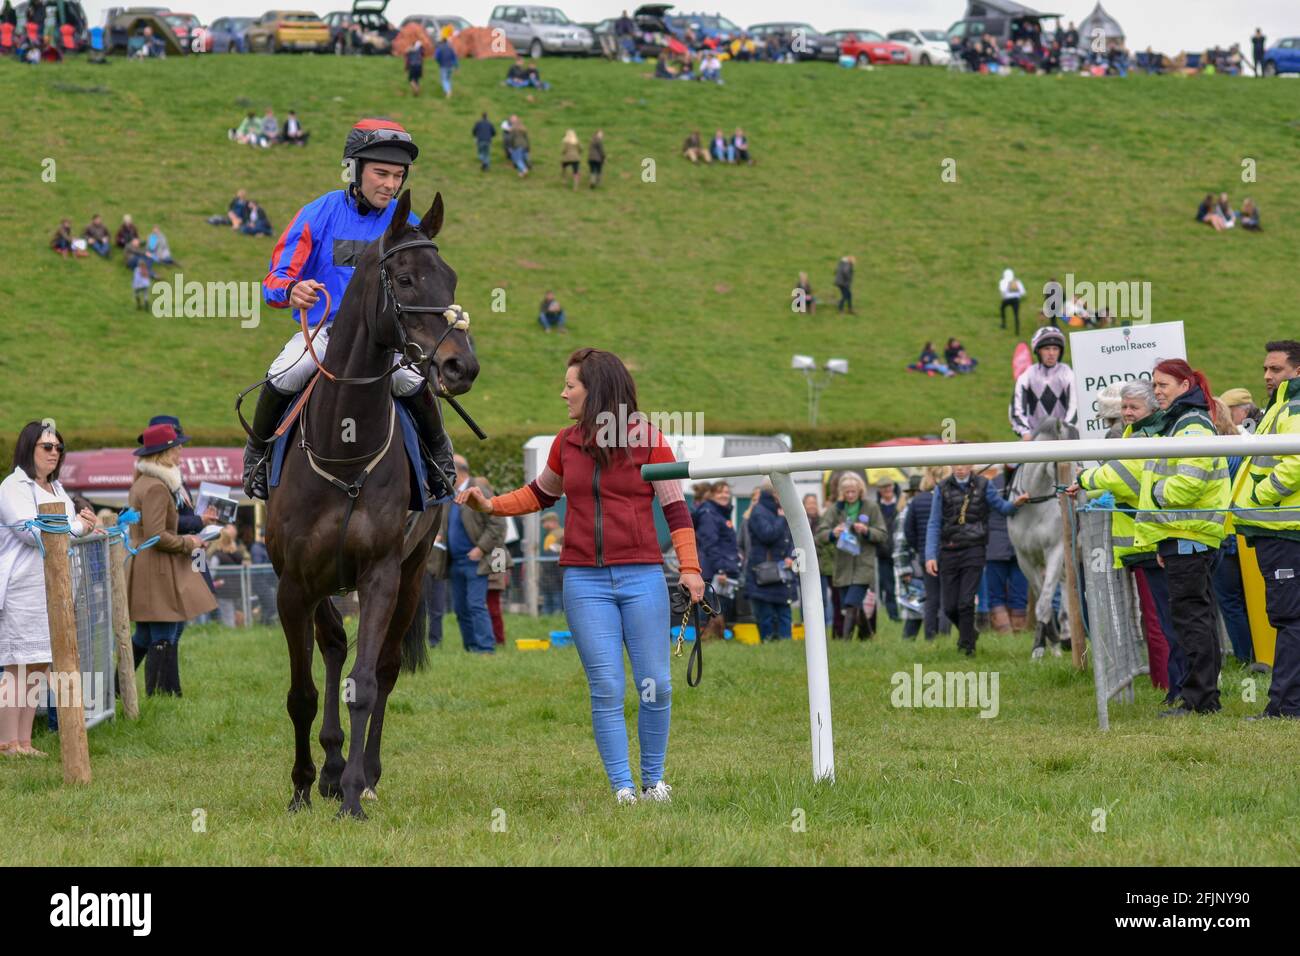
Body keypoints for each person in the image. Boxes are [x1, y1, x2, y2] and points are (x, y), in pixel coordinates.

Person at [456, 348, 703, 804]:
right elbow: (539, 494)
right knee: (607, 686)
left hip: (643, 576)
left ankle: (654, 781)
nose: (563, 393)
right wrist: (490, 505)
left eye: (571, 385)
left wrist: (690, 566)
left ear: (597, 391)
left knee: (657, 683)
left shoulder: (650, 439)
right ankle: (623, 789)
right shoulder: (565, 443)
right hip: (584, 583)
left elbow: (676, 508)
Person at [242, 118, 455, 504]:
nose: (390, 184)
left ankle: (440, 460)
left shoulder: (406, 225)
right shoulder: (317, 213)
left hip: (385, 343)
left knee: (412, 383)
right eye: (381, 173)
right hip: (325, 336)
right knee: (287, 372)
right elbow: (273, 281)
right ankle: (256, 458)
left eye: (397, 175)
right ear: (355, 170)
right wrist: (293, 290)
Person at [0, 422, 101, 756]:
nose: (54, 453)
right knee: (16, 666)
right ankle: (6, 742)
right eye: (47, 447)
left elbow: (65, 529)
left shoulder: (57, 489)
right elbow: (34, 532)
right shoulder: (12, 486)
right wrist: (77, 525)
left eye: (58, 447)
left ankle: (24, 742)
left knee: (38, 667)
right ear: (28, 448)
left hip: (54, 589)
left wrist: (86, 526)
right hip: (20, 589)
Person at [1137, 360, 1231, 716]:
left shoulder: (1190, 423)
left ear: (1185, 384)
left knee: (1192, 621)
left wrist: (1157, 493)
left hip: (1188, 535)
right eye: (1155, 385)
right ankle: (1204, 697)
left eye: (1163, 385)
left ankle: (1199, 700)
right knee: (1198, 620)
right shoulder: (1183, 420)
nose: (1157, 391)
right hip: (1184, 536)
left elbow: (1190, 482)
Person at [1231, 340, 1300, 718]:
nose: (1267, 376)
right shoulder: (1283, 406)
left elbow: (1295, 462)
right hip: (1280, 529)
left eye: (1275, 369)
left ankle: (1286, 707)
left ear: (1297, 371)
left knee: (1290, 620)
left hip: (1284, 530)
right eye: (1265, 370)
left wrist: (1260, 496)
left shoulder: (1294, 407)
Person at [126, 422, 216, 696]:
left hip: (148, 565)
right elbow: (157, 535)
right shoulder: (156, 487)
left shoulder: (146, 482)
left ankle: (117, 689)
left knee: (144, 636)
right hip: (156, 567)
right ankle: (161, 694)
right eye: (177, 448)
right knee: (164, 633)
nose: (181, 452)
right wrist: (189, 542)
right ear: (164, 453)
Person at [925, 460, 1028, 655]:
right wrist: (930, 555)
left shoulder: (983, 484)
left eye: (964, 464)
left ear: (971, 465)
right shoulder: (942, 488)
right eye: (957, 464)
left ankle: (967, 647)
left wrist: (1015, 504)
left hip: (974, 549)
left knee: (965, 602)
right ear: (952, 466)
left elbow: (1002, 508)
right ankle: (970, 632)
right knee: (949, 607)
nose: (960, 467)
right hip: (949, 550)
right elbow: (934, 523)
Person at [430, 456, 502, 654]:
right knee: (461, 609)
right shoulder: (451, 496)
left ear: (457, 471)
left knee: (476, 605)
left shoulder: (479, 491)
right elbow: (450, 525)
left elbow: (498, 523)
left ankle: (485, 648)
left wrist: (480, 548)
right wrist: (441, 536)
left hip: (474, 561)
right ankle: (471, 647)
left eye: (446, 470)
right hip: (454, 562)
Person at [817, 474, 886, 640]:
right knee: (853, 605)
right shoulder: (835, 509)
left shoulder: (871, 507)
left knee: (850, 603)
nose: (850, 495)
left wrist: (867, 531)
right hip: (843, 565)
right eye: (846, 492)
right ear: (841, 492)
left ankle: (845, 641)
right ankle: (868, 636)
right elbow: (820, 535)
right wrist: (833, 533)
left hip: (864, 565)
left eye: (853, 491)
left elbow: (882, 534)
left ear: (860, 490)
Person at [745, 481, 796, 641]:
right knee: (765, 613)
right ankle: (767, 643)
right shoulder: (758, 512)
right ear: (774, 493)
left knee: (784, 612)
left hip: (782, 571)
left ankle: (786, 642)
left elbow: (791, 538)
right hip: (764, 572)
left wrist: (790, 556)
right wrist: (781, 519)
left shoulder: (782, 510)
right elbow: (767, 535)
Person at [904, 466, 950, 640]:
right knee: (947, 598)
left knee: (931, 599)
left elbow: (909, 530)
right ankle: (945, 636)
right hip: (947, 553)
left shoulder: (917, 500)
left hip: (925, 556)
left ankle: (930, 637)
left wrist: (920, 548)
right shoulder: (948, 497)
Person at [1009, 327, 1077, 439]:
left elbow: (1074, 408)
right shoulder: (1027, 375)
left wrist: (1066, 430)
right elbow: (1016, 411)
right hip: (1034, 439)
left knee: (1050, 422)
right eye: (1047, 348)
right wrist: (1025, 433)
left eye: (1055, 349)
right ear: (1038, 351)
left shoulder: (1068, 374)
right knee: (1047, 422)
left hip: (1063, 437)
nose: (1051, 353)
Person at [983, 469, 1028, 633]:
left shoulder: (992, 483)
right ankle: (1015, 634)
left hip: (996, 545)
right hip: (1018, 544)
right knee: (1018, 595)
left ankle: (1005, 634)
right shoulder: (1027, 482)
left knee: (997, 595)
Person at [694, 481, 741, 635]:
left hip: (720, 570)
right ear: (712, 495)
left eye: (727, 492)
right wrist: (720, 569)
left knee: (718, 612)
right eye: (720, 492)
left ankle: (715, 639)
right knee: (712, 613)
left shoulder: (721, 514)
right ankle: (705, 640)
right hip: (713, 571)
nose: (724, 495)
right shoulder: (709, 514)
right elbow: (710, 544)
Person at [207, 524, 250, 627]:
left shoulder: (217, 556)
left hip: (224, 591)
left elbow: (210, 575)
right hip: (237, 590)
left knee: (228, 619)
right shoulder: (237, 556)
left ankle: (230, 635)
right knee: (236, 615)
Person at [874, 478, 902, 622]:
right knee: (889, 587)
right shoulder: (876, 507)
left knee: (906, 583)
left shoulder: (901, 504)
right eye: (883, 487)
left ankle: (910, 612)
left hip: (901, 550)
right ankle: (894, 615)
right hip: (883, 552)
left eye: (889, 486)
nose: (887, 490)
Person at [539, 510, 564, 615]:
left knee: (553, 599)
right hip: (562, 573)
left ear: (553, 522)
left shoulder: (552, 536)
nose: (544, 525)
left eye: (545, 522)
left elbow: (548, 555)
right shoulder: (564, 532)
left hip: (552, 573)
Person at [999, 268, 1025, 334]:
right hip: (1016, 300)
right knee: (1016, 315)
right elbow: (1023, 292)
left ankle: (1003, 324)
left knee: (1002, 308)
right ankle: (1017, 331)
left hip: (1007, 299)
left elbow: (1003, 291)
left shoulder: (1003, 281)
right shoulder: (1017, 281)